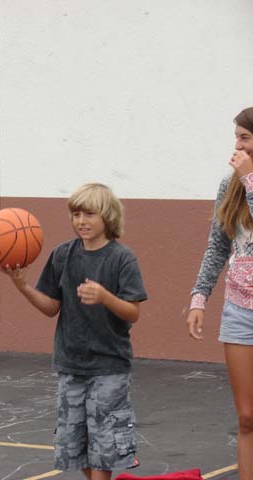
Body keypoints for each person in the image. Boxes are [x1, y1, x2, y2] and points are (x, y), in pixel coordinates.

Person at [1, 183, 147, 480]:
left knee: (104, 448)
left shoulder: (122, 258)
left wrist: (105, 297)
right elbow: (51, 307)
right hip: (70, 365)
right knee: (73, 445)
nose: (81, 221)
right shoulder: (62, 254)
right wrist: (23, 287)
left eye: (89, 214)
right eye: (76, 214)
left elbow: (133, 312)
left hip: (109, 366)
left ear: (107, 216)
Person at [187, 107, 253, 480]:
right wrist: (199, 298)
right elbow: (217, 246)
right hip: (240, 311)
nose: (237, 146)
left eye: (245, 138)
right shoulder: (229, 185)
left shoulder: (245, 180)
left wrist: (250, 180)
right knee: (247, 416)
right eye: (236, 138)